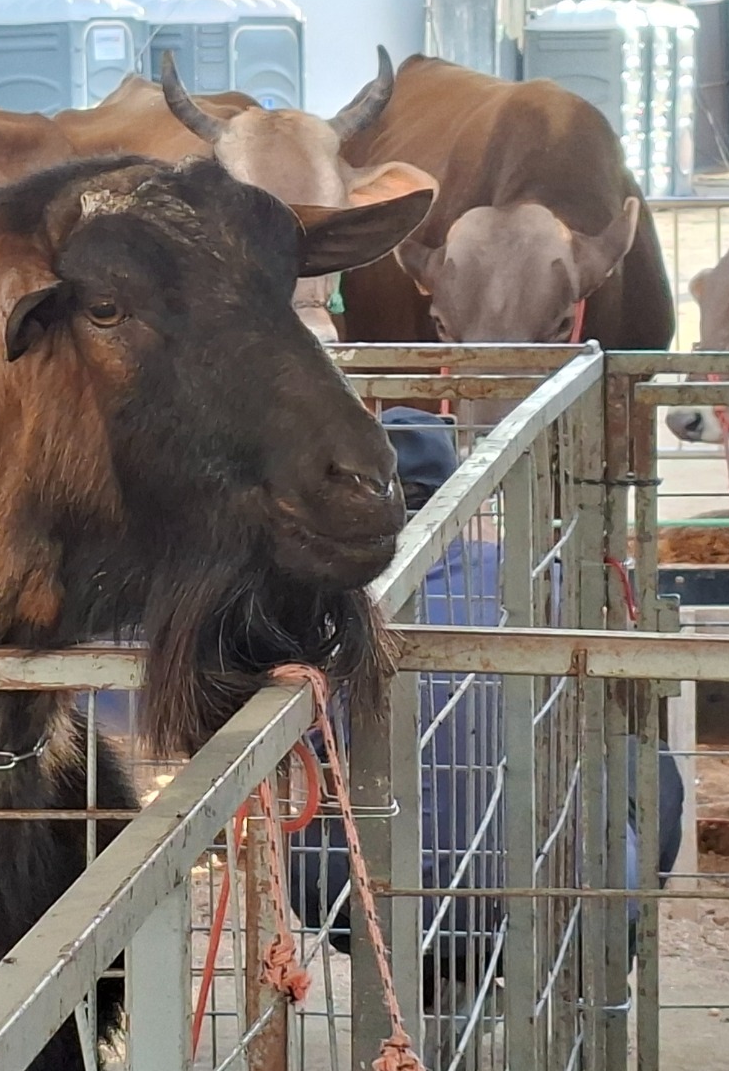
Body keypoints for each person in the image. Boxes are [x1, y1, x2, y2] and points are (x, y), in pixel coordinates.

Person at [288, 407, 686, 989]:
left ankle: (427, 980)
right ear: (461, 496)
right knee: (646, 760)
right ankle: (597, 980)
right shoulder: (540, 579)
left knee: (309, 792)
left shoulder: (317, 599)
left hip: (379, 907)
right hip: (557, 900)